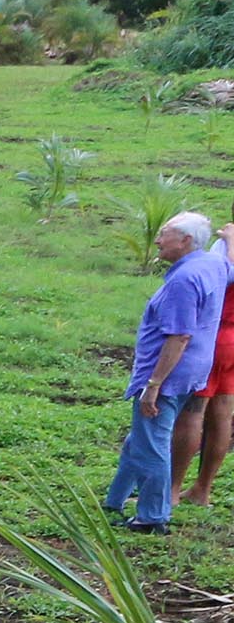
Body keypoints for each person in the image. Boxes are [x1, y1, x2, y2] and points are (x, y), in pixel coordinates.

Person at [106, 211, 232, 533]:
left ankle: (152, 517)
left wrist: (153, 384)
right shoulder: (212, 264)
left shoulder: (184, 280)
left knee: (152, 443)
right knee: (141, 438)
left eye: (165, 235)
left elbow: (179, 336)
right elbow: (230, 268)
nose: (158, 240)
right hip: (195, 370)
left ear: (186, 241)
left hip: (171, 374)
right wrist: (230, 242)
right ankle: (115, 499)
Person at [177, 226, 234, 508]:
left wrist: (231, 242)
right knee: (222, 412)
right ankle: (202, 489)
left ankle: (172, 490)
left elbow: (226, 275)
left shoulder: (227, 244)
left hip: (218, 333)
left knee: (193, 411)